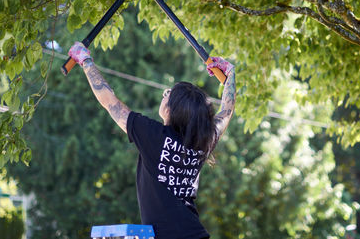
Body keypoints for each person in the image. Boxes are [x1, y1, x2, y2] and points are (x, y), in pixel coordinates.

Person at [68, 42, 236, 239]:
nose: (164, 95)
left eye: (168, 94)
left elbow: (109, 101)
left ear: (171, 110)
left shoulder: (153, 137)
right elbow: (226, 111)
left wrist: (86, 60)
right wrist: (230, 73)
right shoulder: (204, 139)